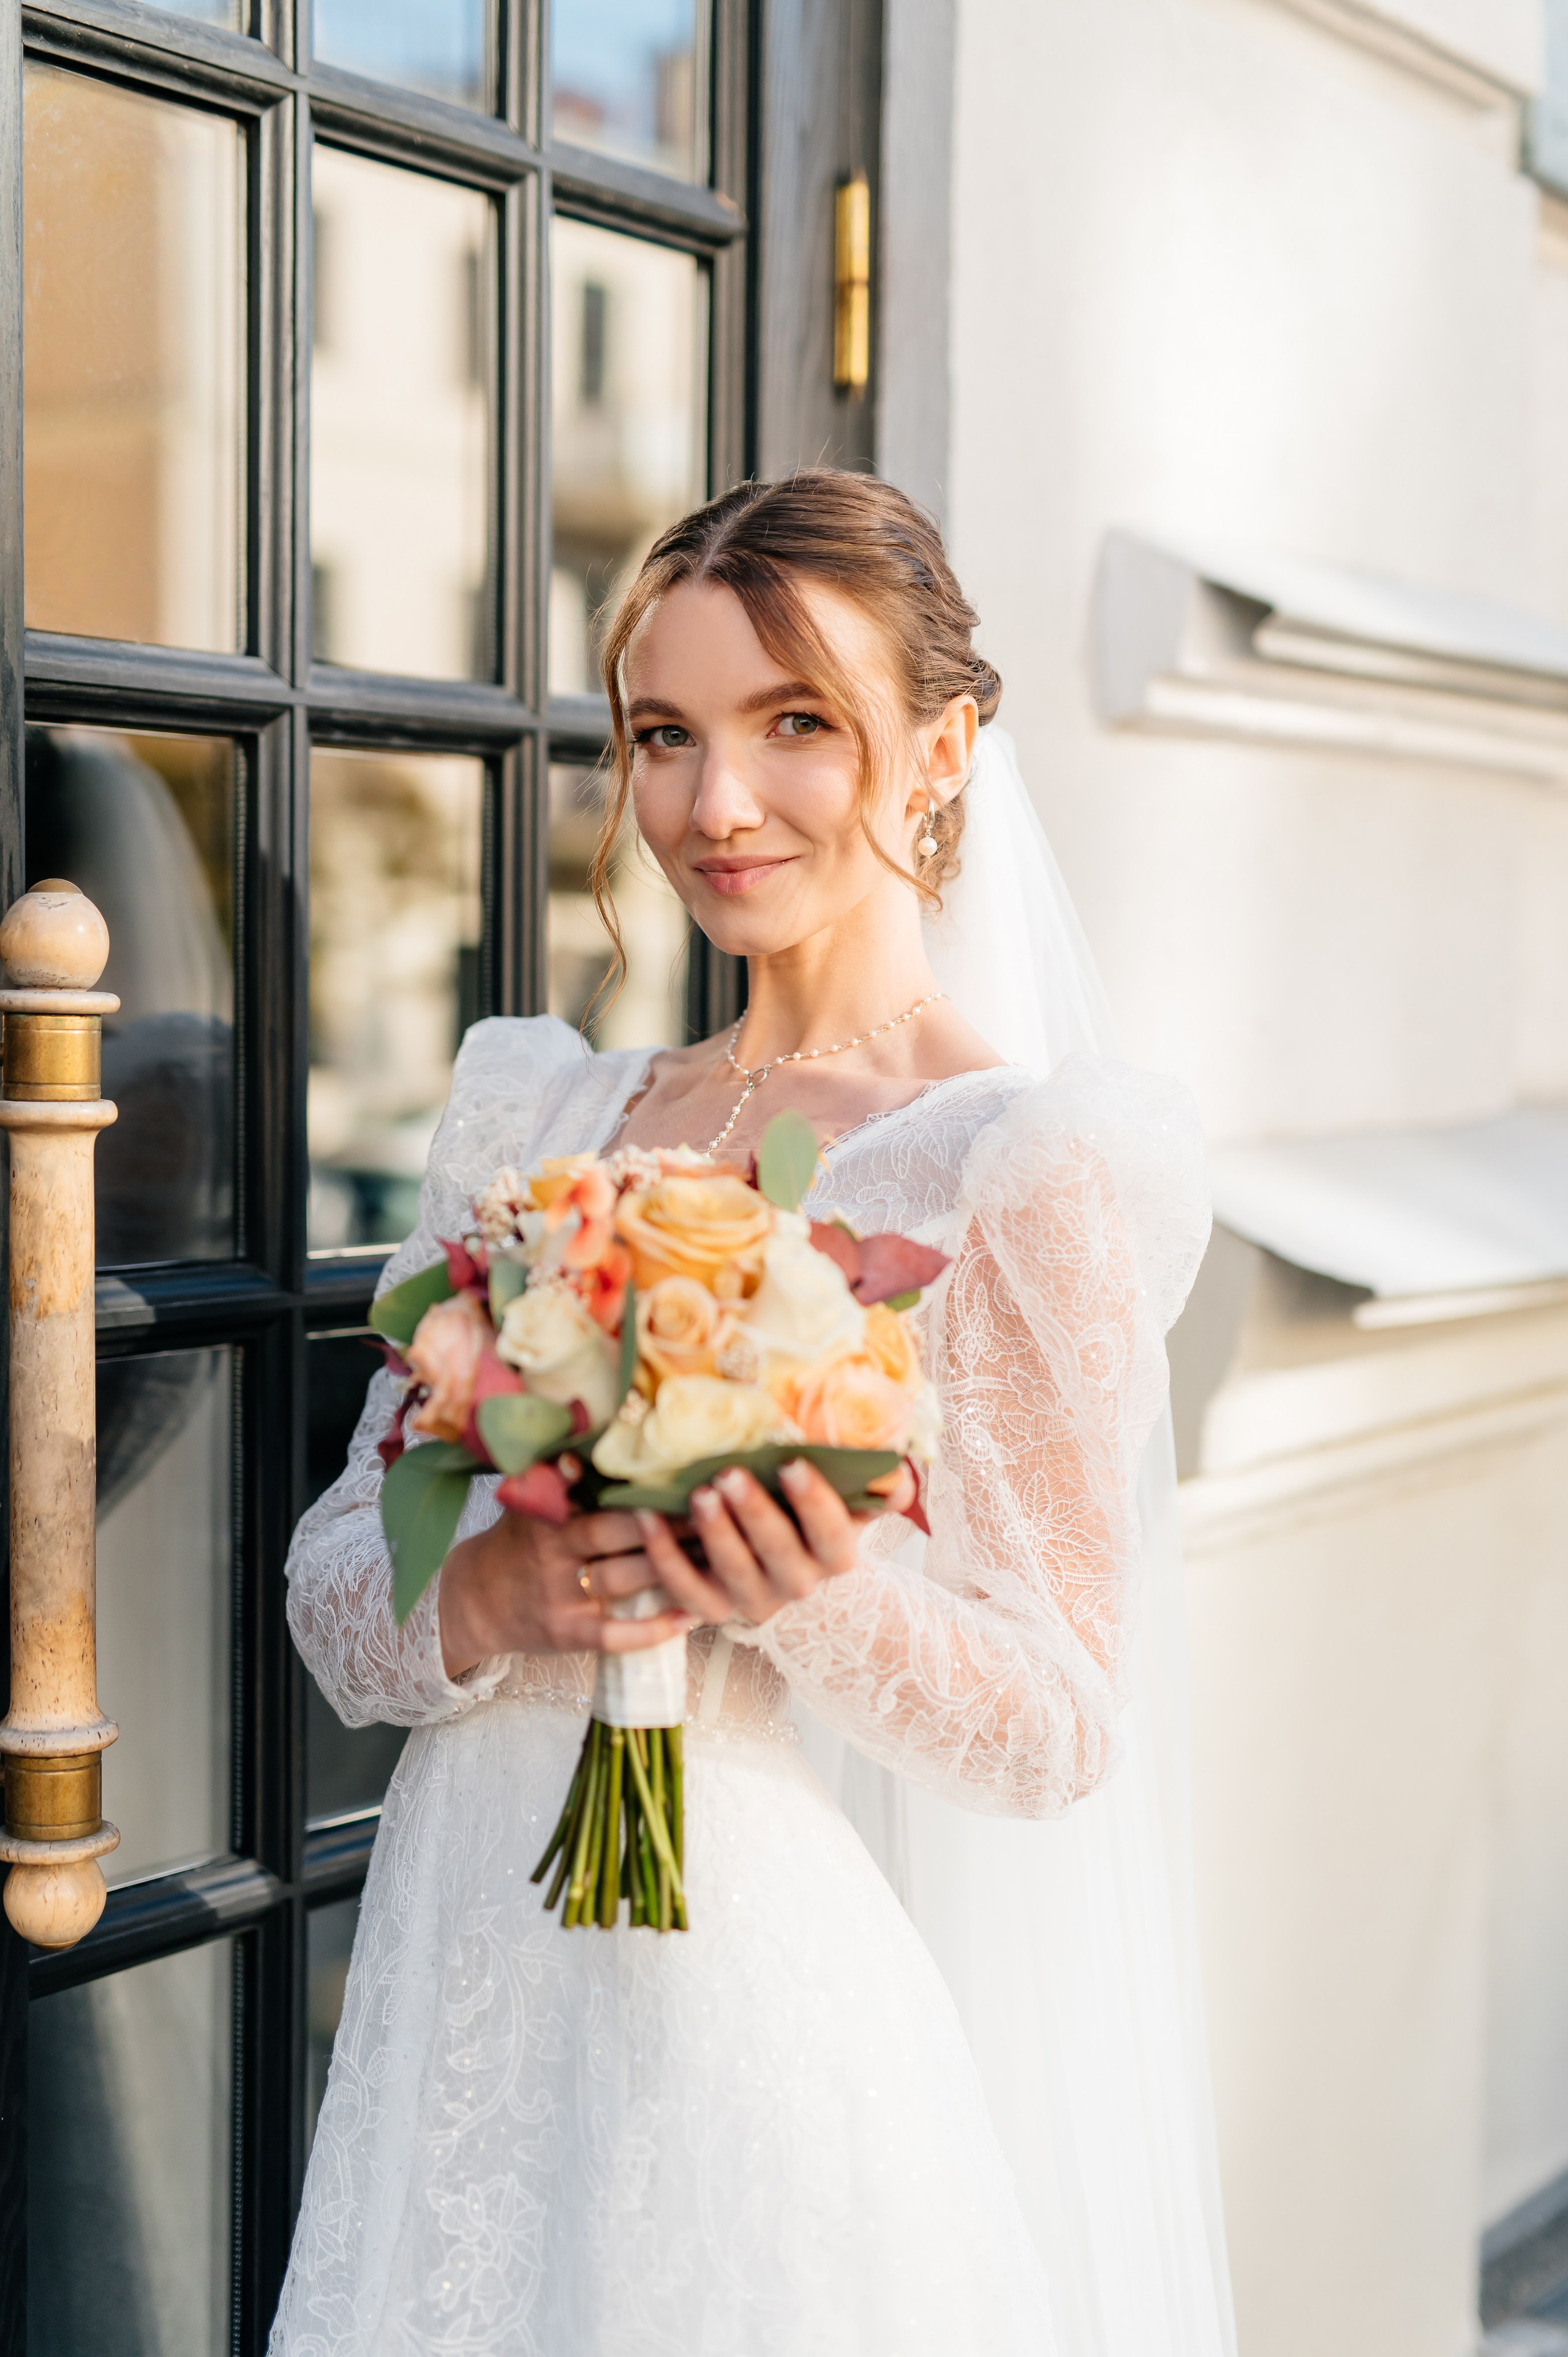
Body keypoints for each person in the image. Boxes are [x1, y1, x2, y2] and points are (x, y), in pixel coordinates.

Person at [271, 471, 1232, 2357]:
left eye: (799, 726)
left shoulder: (1016, 1167)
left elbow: (1061, 1722)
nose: (716, 805)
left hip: (740, 2015)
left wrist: (798, 1587)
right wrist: (499, 1601)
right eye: (666, 736)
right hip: (457, 1966)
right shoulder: (536, 1122)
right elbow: (334, 1586)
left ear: (943, 749)